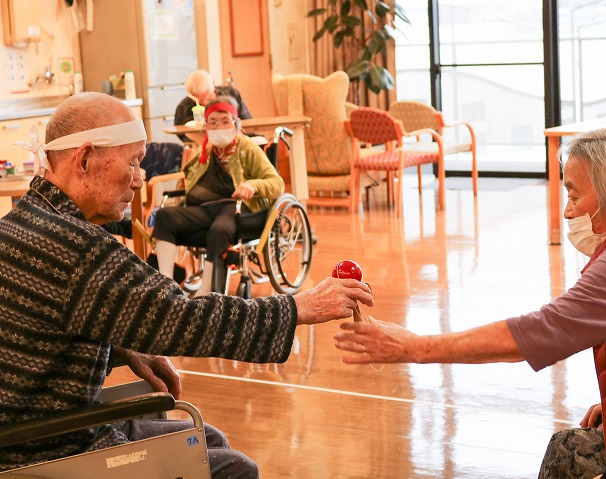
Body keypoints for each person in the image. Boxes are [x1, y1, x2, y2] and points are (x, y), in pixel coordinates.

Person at [2, 92, 374, 477]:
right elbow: (185, 318)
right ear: (83, 159)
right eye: (132, 163)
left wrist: (122, 347)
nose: (139, 178)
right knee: (235, 469)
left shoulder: (22, 221)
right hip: (50, 445)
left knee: (207, 439)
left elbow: (39, 334)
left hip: (29, 426)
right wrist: (298, 307)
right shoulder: (78, 248)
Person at [333, 128, 606, 477]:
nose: (567, 214)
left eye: (574, 196)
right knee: (565, 447)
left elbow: (544, 331)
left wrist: (413, 347)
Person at [153, 95, 280, 295]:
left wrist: (252, 185)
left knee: (219, 229)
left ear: (235, 123)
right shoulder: (204, 151)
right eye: (213, 122)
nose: (219, 127)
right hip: (205, 209)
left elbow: (277, 184)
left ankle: (206, 289)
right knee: (164, 216)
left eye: (225, 121)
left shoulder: (248, 148)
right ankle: (167, 286)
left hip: (236, 209)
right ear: (206, 127)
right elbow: (189, 179)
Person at [174, 69, 251, 143]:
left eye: (208, 99)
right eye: (198, 101)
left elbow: (247, 121)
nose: (204, 104)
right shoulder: (184, 107)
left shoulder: (232, 94)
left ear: (213, 87)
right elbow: (180, 133)